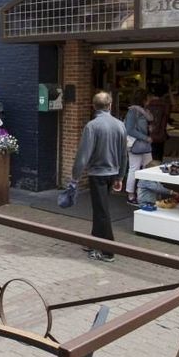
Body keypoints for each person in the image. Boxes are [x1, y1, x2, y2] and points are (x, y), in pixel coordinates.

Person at [71, 91, 128, 262]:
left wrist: (75, 176)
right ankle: (93, 241)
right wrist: (120, 177)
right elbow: (124, 154)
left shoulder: (92, 126)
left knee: (102, 212)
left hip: (98, 174)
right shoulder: (120, 125)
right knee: (99, 209)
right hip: (112, 173)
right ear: (110, 105)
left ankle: (108, 251)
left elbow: (83, 155)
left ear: (93, 106)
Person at [123, 89, 155, 204]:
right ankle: (130, 195)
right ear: (143, 99)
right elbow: (129, 129)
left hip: (144, 144)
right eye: (147, 98)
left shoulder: (144, 112)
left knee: (149, 168)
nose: (149, 100)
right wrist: (145, 137)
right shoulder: (133, 111)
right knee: (134, 169)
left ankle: (144, 193)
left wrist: (148, 130)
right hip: (136, 144)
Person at [146, 83, 170, 162]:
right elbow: (175, 106)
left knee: (147, 160)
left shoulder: (147, 104)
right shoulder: (165, 105)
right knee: (157, 160)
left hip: (147, 136)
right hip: (160, 136)